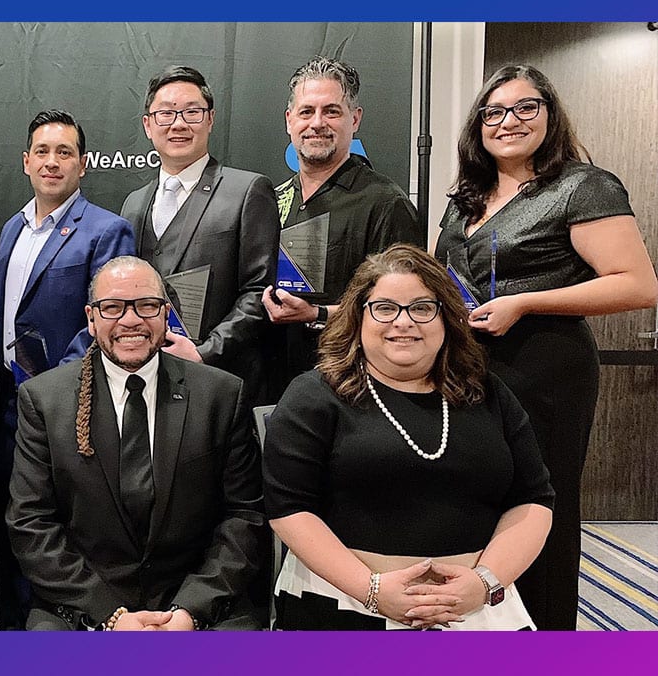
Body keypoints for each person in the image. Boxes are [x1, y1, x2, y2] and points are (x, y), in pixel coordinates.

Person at [433, 64, 658, 630]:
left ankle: (547, 639)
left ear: (550, 114)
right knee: (475, 501)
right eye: (494, 111)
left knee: (540, 505)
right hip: (467, 370)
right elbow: (436, 282)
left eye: (525, 107)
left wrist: (526, 302)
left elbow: (637, 284)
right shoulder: (465, 198)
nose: (508, 121)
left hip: (544, 370)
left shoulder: (583, 186)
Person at [264, 244, 555, 630]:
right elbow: (288, 508)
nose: (403, 322)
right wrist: (373, 590)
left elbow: (533, 499)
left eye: (422, 308)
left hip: (476, 606)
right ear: (358, 317)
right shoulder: (313, 395)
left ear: (447, 319)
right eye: (385, 308)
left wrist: (483, 583)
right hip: (344, 601)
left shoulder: (487, 392)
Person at [7, 256, 268, 630]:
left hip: (199, 604)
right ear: (90, 318)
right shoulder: (44, 401)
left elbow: (244, 518)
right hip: (81, 607)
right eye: (112, 307)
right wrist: (110, 617)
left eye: (146, 306)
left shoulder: (221, 395)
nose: (131, 320)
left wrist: (189, 612)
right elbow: (31, 524)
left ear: (166, 314)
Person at [0, 109, 135, 628]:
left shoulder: (107, 230)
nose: (52, 162)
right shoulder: (11, 228)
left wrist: (51, 393)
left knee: (57, 537)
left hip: (67, 411)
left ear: (83, 163)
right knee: (12, 529)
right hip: (4, 407)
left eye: (65, 153)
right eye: (43, 152)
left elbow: (106, 324)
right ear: (26, 161)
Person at [101, 65, 278, 404]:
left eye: (191, 112)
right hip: (143, 379)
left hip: (220, 380)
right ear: (148, 125)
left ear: (210, 119)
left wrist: (205, 352)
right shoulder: (133, 203)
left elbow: (259, 292)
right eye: (166, 113)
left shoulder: (248, 191)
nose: (179, 123)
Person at [261, 56, 423, 403]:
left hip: (353, 388)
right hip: (274, 384)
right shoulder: (270, 200)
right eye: (306, 112)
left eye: (331, 111)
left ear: (355, 119)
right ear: (290, 121)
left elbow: (404, 305)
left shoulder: (385, 203)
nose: (317, 123)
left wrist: (317, 314)